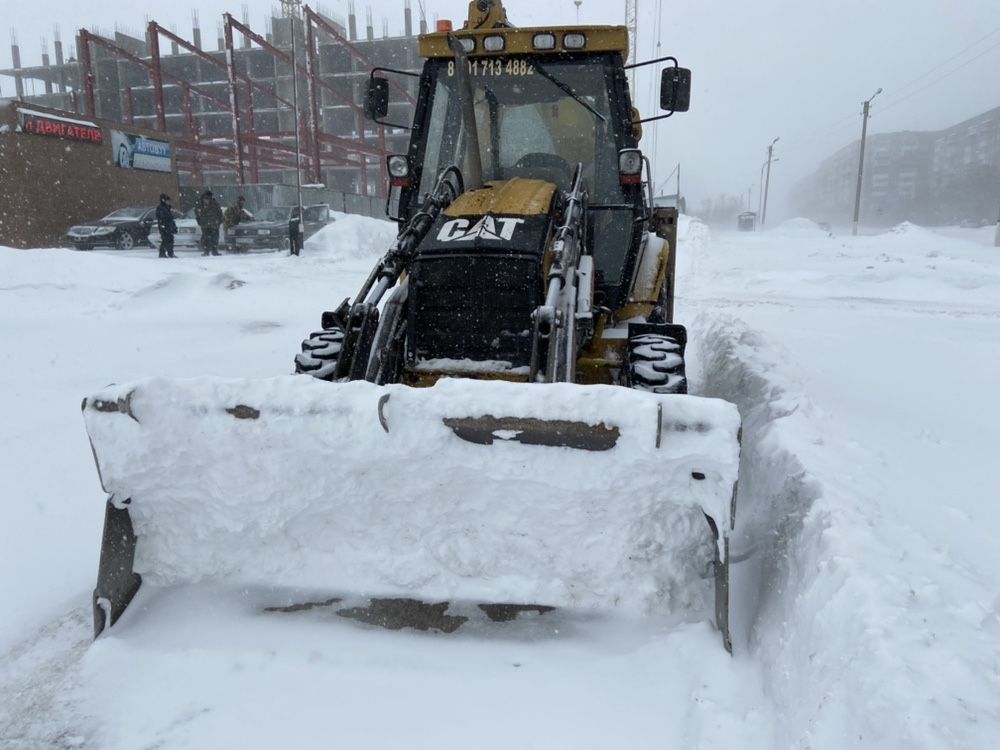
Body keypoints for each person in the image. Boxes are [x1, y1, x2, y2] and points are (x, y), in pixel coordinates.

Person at [195, 190, 223, 256]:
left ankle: (210, 251)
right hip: (208, 224)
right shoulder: (201, 204)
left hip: (211, 224)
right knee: (209, 238)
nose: (207, 199)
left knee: (212, 238)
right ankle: (209, 251)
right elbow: (197, 213)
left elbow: (219, 213)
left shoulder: (213, 203)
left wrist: (219, 221)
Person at [155, 193, 177, 258]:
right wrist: (164, 226)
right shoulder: (161, 208)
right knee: (165, 240)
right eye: (167, 201)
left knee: (170, 240)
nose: (169, 202)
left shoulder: (167, 208)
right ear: (163, 200)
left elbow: (170, 219)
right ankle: (162, 253)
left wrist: (173, 227)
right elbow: (162, 219)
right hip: (164, 227)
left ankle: (170, 253)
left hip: (168, 227)